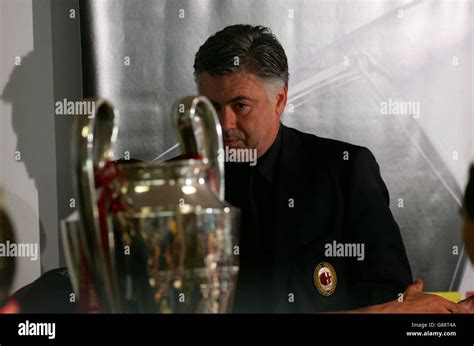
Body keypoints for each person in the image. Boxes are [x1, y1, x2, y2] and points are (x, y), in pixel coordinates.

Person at [193, 24, 471, 313]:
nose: (224, 125)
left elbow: (390, 299)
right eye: (210, 108)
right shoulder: (179, 188)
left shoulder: (345, 171)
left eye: (240, 106)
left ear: (280, 100)